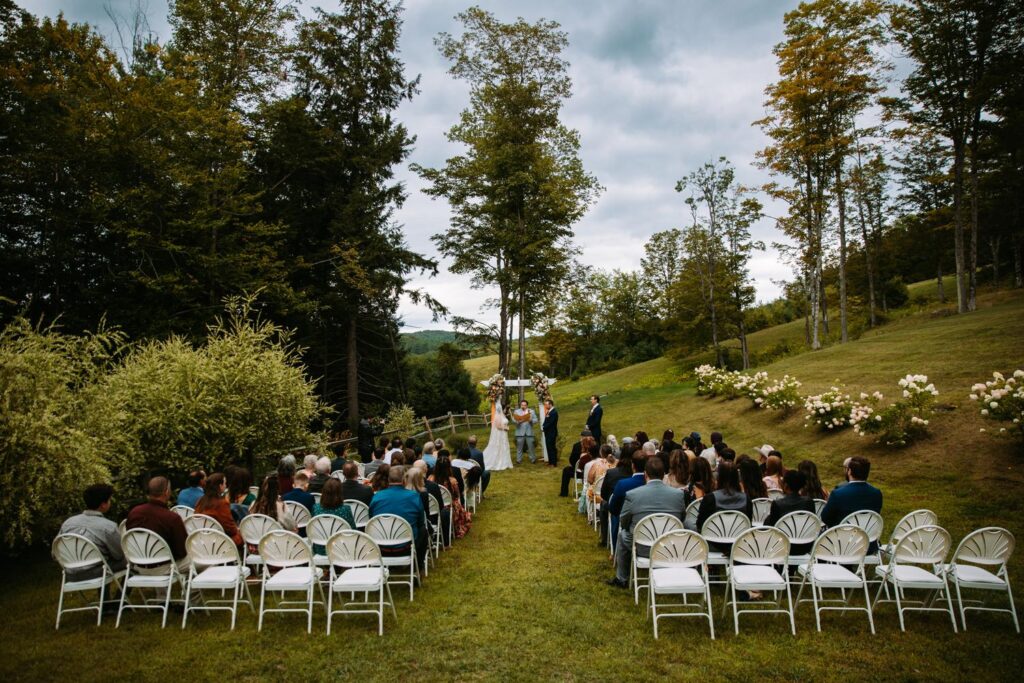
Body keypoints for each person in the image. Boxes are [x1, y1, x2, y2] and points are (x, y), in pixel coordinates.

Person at [607, 458, 685, 588]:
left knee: (623, 534)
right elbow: (681, 519)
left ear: (645, 475)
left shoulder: (633, 495)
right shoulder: (678, 494)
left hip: (642, 546)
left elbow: (624, 521)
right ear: (663, 475)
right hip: (670, 546)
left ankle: (622, 578)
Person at [369, 466, 427, 577]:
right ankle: (418, 567)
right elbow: (420, 522)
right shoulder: (414, 496)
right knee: (423, 530)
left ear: (388, 480)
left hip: (381, 546)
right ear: (404, 480)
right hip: (405, 546)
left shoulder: (377, 496)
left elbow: (371, 519)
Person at [58, 483, 126, 579]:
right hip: (98, 572)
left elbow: (55, 553)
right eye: (110, 500)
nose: (111, 502)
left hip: (71, 574)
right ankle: (121, 594)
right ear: (103, 505)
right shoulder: (108, 527)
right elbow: (119, 555)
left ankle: (107, 594)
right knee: (130, 559)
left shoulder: (67, 523)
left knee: (103, 559)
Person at [125, 476, 190, 574]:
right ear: (167, 491)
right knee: (203, 558)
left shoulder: (134, 512)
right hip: (166, 567)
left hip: (139, 565)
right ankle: (193, 589)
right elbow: (182, 552)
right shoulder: (172, 517)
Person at [695, 462, 753, 549]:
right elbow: (748, 522)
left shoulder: (710, 498)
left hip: (713, 543)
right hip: (738, 543)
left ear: (719, 477)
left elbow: (700, 524)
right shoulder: (746, 499)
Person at [820, 456, 882, 533]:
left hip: (843, 539)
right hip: (867, 538)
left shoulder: (837, 494)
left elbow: (825, 518)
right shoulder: (877, 493)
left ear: (849, 471)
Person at [607, 452, 647, 552]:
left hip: (629, 526)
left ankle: (616, 550)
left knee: (615, 516)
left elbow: (613, 509)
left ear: (633, 465)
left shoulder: (623, 484)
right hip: (652, 526)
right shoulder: (651, 484)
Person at [194, 472, 243, 546]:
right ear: (220, 486)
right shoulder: (222, 503)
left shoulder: (200, 501)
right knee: (243, 535)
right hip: (219, 542)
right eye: (225, 483)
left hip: (202, 540)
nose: (226, 486)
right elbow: (231, 529)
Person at [429, 455, 471, 539]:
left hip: (432, 506)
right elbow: (457, 495)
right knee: (457, 503)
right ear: (449, 467)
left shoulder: (430, 479)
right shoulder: (452, 481)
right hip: (450, 507)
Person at [311, 478, 355, 555]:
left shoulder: (316, 508)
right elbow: (352, 530)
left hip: (320, 548)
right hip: (342, 549)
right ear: (340, 493)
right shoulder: (346, 509)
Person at [598, 446, 629, 547]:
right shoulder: (642, 476)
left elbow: (604, 494)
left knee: (604, 504)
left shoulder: (612, 473)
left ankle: (605, 539)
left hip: (618, 509)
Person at [483, 397, 513, 471]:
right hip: (500, 433)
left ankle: (505, 461)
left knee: (504, 446)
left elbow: (504, 422)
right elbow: (498, 426)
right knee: (499, 446)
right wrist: (506, 428)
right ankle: (499, 462)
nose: (504, 410)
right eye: (504, 409)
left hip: (503, 434)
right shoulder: (497, 416)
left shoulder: (502, 415)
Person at [513, 399, 538, 464]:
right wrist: (518, 421)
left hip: (529, 432)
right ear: (520, 405)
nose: (523, 406)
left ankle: (533, 459)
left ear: (527, 406)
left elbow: (536, 419)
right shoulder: (516, 411)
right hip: (520, 432)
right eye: (522, 405)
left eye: (524, 405)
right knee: (519, 447)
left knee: (531, 447)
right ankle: (518, 460)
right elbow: (513, 420)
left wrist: (531, 420)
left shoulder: (531, 411)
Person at [542, 399, 559, 467]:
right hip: (548, 432)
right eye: (545, 404)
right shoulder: (549, 411)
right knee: (548, 447)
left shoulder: (554, 412)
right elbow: (546, 421)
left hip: (551, 432)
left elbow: (551, 422)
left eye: (546, 404)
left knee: (551, 447)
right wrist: (544, 425)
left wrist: (544, 427)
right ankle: (550, 461)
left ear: (550, 404)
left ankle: (553, 463)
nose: (545, 406)